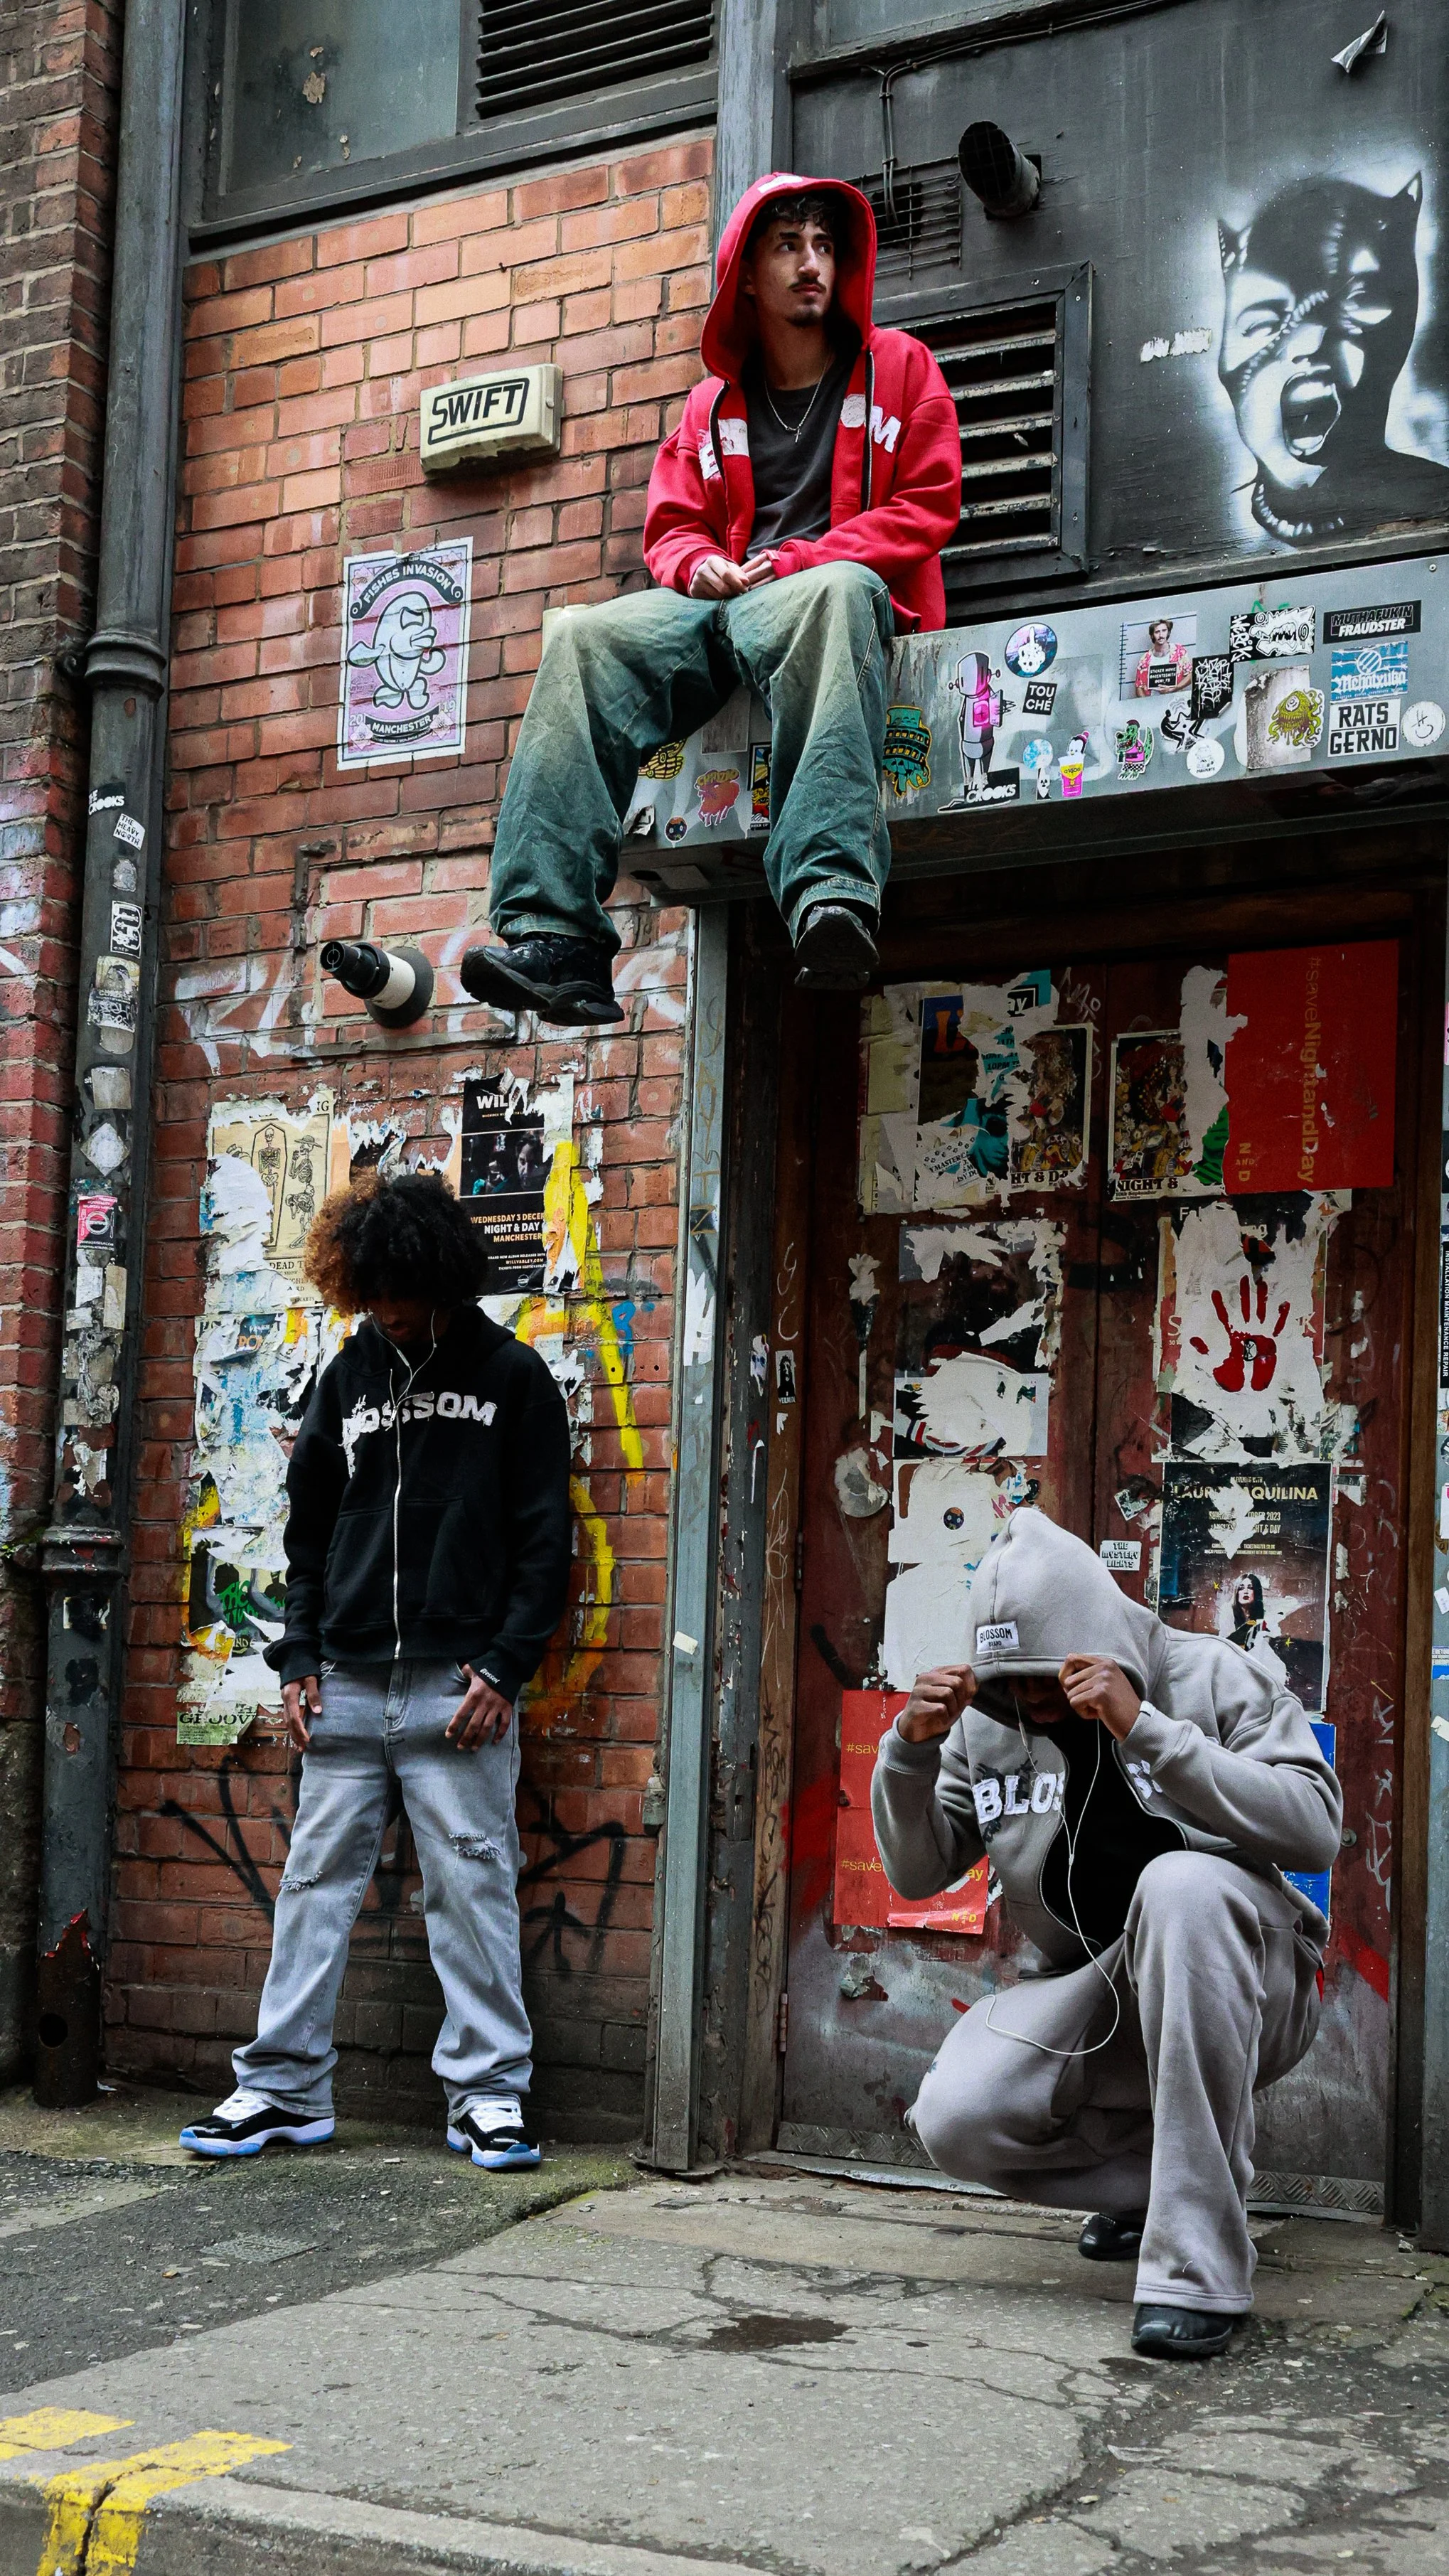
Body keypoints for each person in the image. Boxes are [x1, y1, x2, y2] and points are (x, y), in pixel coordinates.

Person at [459, 175, 962, 1029]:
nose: (811, 264)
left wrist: (800, 557)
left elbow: (929, 503)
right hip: (723, 602)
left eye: (824, 246)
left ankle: (830, 891)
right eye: (787, 246)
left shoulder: (899, 368)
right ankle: (560, 940)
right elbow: (671, 532)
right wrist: (700, 570)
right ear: (747, 276)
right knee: (579, 637)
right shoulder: (709, 407)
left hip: (815, 595)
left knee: (836, 588)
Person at [871, 1508, 1340, 2361]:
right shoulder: (992, 1724)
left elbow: (1313, 1827)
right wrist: (905, 1752)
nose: (1035, 1700)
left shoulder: (1210, 1673)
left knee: (1181, 1883)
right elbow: (917, 1870)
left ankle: (1196, 2270)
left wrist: (1148, 1730)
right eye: (1011, 1681)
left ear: (1098, 1641)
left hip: (1254, 1983)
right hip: (1097, 1990)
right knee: (957, 2116)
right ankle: (1168, 2188)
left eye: (1049, 1673)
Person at [180, 1171, 572, 2171]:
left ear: (442, 1276)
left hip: (458, 1691)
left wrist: (505, 1663)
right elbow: (306, 1531)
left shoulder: (511, 1376)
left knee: (472, 1888)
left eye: (405, 1294)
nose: (390, 1312)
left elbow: (543, 1539)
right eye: (373, 1294)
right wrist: (298, 1654)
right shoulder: (347, 1376)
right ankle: (280, 2090)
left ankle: (489, 2094)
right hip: (344, 1682)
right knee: (311, 1884)